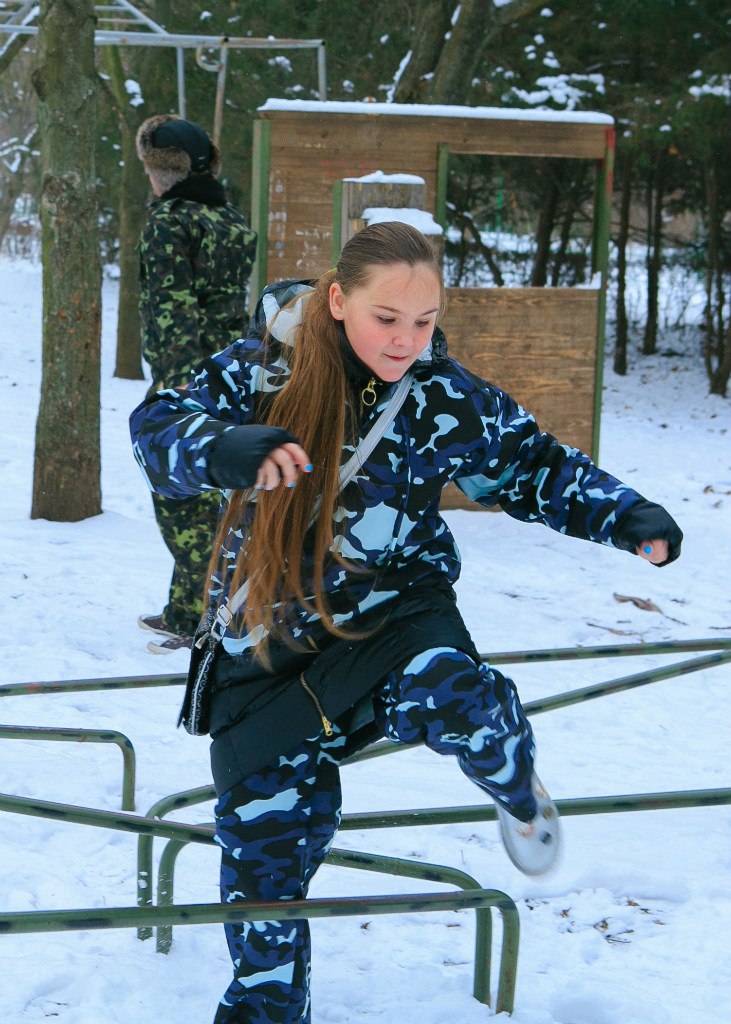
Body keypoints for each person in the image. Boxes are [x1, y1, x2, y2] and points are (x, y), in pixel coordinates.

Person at [129, 221, 682, 1023]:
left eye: (422, 322)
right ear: (338, 299)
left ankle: (511, 771)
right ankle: (265, 1004)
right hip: (272, 637)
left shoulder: (438, 396)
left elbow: (531, 465)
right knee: (264, 855)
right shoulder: (260, 374)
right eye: (387, 318)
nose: (405, 340)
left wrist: (626, 514)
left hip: (396, 617)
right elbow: (155, 431)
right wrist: (217, 447)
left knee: (457, 697)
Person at [134, 113, 257, 653]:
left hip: (187, 379)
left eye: (150, 167)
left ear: (165, 170)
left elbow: (172, 311)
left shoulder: (169, 221)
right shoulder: (230, 220)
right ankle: (187, 608)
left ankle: (207, 614)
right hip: (232, 374)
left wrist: (176, 393)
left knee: (179, 495)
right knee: (214, 492)